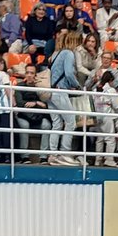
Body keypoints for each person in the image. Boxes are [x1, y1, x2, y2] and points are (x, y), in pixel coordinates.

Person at [47, 29, 81, 165]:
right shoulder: (69, 53)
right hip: (61, 92)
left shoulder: (56, 54)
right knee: (71, 122)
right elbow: (68, 73)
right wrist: (77, 85)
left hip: (52, 92)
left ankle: (53, 154)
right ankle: (65, 153)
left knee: (57, 124)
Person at [12, 61, 50, 162]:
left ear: (35, 75)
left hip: (37, 116)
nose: (29, 75)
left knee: (47, 126)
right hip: (23, 115)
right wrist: (36, 103)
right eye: (27, 72)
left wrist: (35, 102)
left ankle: (43, 157)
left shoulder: (40, 87)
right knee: (24, 126)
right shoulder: (19, 86)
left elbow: (45, 104)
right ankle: (24, 156)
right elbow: (20, 103)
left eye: (32, 73)